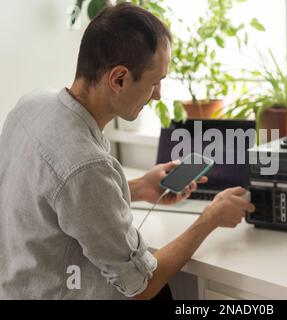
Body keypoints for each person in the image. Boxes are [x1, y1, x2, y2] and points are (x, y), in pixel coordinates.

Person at [0, 3, 255, 300]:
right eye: (155, 82)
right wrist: (210, 218)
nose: (158, 95)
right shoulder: (86, 165)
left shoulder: (32, 105)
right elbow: (141, 287)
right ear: (119, 79)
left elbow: (53, 198)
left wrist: (140, 187)